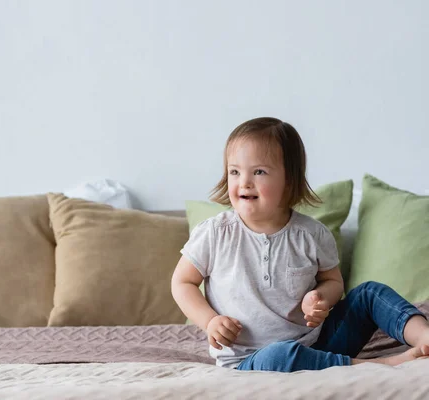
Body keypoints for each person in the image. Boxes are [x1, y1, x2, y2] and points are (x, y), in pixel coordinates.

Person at [171, 117, 429, 372]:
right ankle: (376, 365)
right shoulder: (216, 233)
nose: (244, 182)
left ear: (289, 181)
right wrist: (210, 321)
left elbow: (334, 282)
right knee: (279, 354)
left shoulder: (312, 234)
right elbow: (182, 282)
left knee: (370, 293)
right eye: (235, 171)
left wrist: (319, 299)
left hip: (319, 344)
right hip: (250, 362)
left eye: (259, 171)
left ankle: (424, 337)